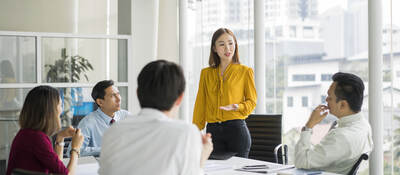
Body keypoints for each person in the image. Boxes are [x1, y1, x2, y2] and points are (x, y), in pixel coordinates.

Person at [99, 60, 213, 175]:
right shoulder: (186, 133)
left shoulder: (113, 132)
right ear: (180, 98)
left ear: (137, 93)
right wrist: (202, 157)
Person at [192, 28, 257, 158]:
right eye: (221, 44)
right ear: (214, 48)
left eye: (230, 43)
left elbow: (252, 101)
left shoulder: (245, 71)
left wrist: (237, 106)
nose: (227, 48)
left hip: (236, 131)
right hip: (213, 131)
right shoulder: (206, 73)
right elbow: (201, 102)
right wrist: (195, 129)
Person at [294, 72, 373, 174]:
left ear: (343, 105)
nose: (326, 99)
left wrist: (309, 126)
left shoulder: (341, 137)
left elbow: (301, 161)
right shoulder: (364, 125)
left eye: (329, 97)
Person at [6, 85, 84, 175]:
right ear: (50, 110)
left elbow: (56, 170)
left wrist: (60, 138)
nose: (61, 110)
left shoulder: (26, 134)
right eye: (59, 104)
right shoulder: (37, 139)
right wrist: (75, 149)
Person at [67, 80, 130, 157]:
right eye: (113, 96)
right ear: (100, 102)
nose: (119, 99)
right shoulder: (88, 123)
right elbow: (71, 152)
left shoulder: (126, 116)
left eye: (118, 94)